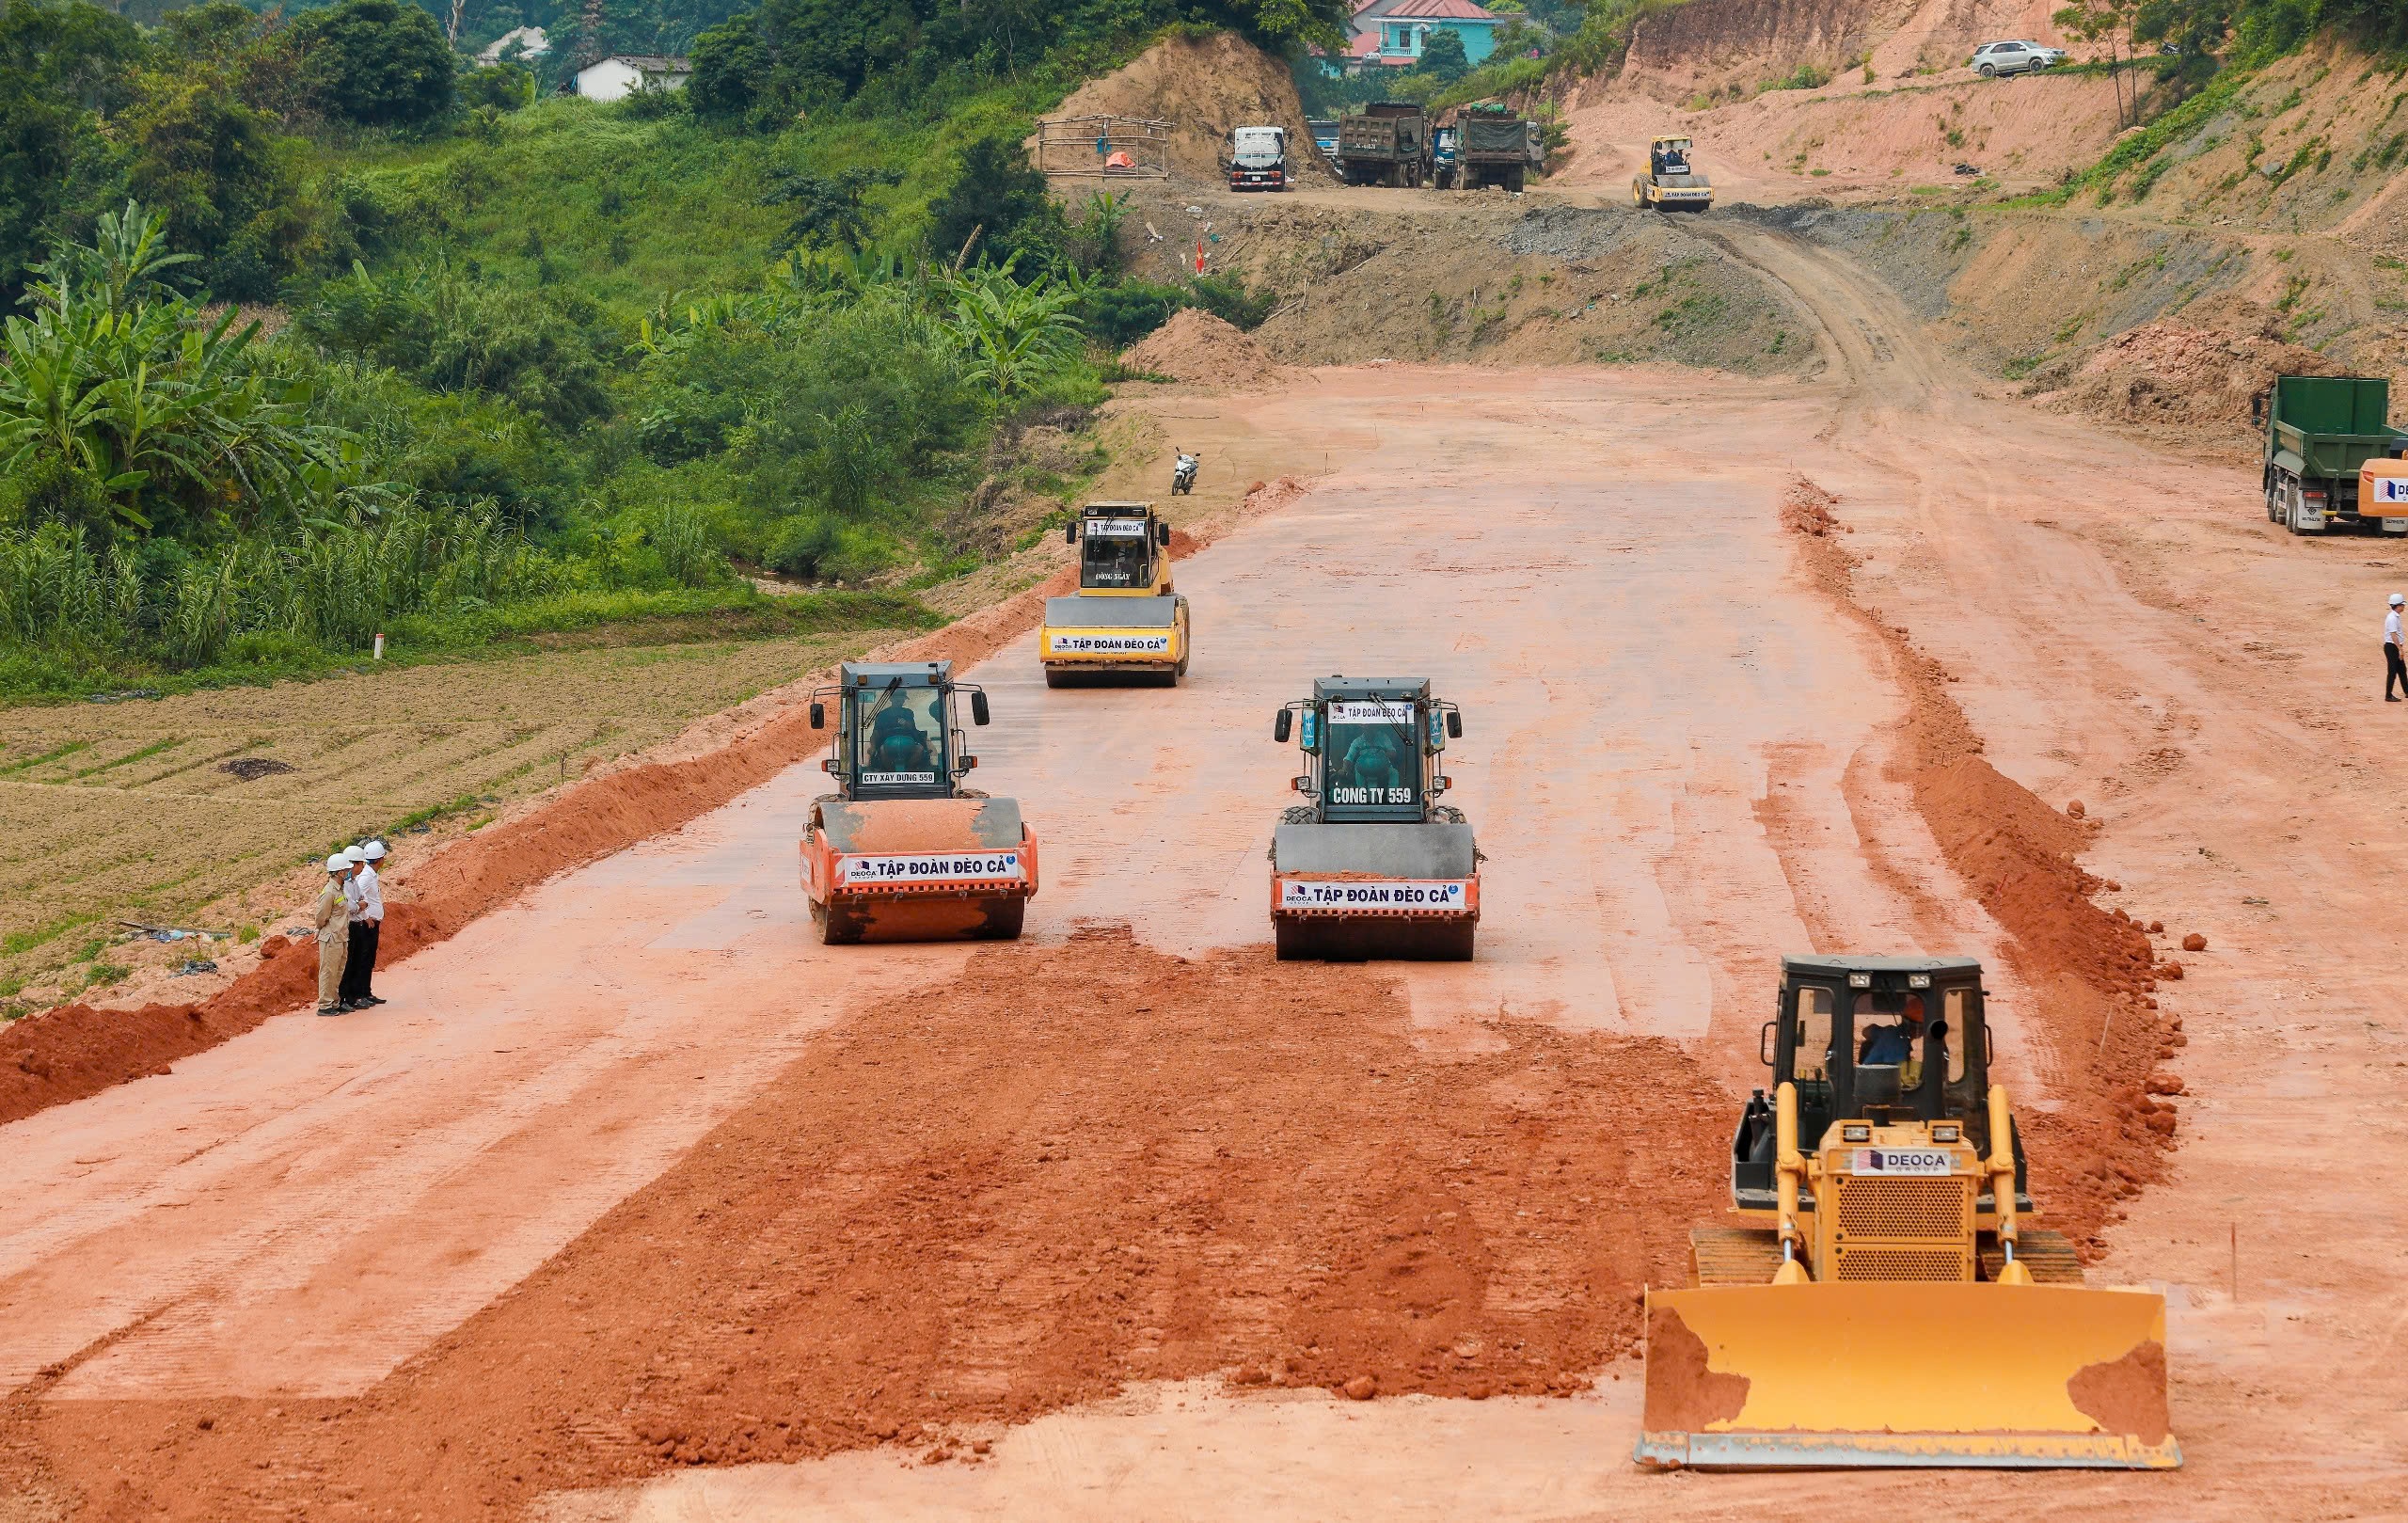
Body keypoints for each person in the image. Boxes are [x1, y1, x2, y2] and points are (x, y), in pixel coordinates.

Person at [341, 840, 387, 1009]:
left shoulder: (368, 875)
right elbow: (356, 899)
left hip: (369, 922)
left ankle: (365, 992)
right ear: (381, 859)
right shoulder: (366, 877)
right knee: (362, 959)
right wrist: (366, 915)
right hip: (366, 924)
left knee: (368, 959)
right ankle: (358, 994)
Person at [314, 855, 352, 1016]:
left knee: (338, 971)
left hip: (341, 936)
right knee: (328, 971)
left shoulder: (340, 890)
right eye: (346, 870)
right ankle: (325, 1005)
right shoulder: (329, 892)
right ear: (339, 872)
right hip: (331, 937)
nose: (349, 872)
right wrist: (320, 929)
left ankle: (334, 1002)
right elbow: (321, 916)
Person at [2386, 594, 2405, 702]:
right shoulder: (2392, 618)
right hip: (2392, 647)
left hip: (2394, 647)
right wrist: (2400, 649)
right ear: (2398, 605)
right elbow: (2393, 635)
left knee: (2402, 670)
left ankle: (2407, 691)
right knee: (2392, 671)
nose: (2404, 606)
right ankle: (2388, 695)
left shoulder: (2394, 616)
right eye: (2402, 604)